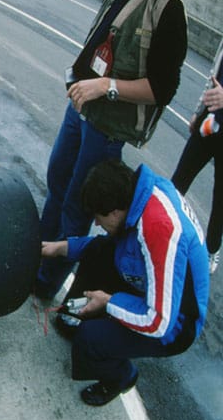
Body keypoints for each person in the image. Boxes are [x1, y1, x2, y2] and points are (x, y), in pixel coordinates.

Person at [36, 0, 187, 299]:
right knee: (56, 182)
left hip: (108, 121)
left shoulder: (167, 5)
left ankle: (46, 282)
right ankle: (38, 255)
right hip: (82, 104)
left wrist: (106, 86)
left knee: (77, 204)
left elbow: (161, 90)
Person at [41, 160, 208, 406]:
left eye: (99, 217)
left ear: (116, 212)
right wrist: (60, 248)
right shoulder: (138, 197)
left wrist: (108, 303)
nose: (97, 224)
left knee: (90, 340)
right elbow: (109, 246)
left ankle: (121, 377)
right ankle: (80, 319)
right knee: (97, 251)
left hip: (176, 324)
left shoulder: (159, 229)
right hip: (154, 288)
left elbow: (158, 322)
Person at [171, 39, 223, 273]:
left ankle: (212, 249)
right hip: (209, 121)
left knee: (220, 197)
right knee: (179, 180)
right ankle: (163, 227)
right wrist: (197, 111)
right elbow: (213, 76)